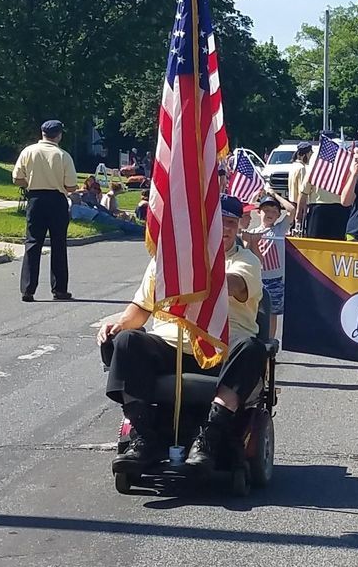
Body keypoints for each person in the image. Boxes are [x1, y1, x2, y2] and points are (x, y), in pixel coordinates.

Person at [98, 194, 265, 474]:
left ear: (238, 227)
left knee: (252, 348)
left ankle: (209, 438)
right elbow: (141, 307)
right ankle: (144, 437)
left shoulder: (245, 261)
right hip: (170, 345)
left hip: (220, 352)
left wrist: (197, 271)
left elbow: (235, 285)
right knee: (127, 341)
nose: (224, 229)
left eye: (231, 223)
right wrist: (120, 324)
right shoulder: (165, 261)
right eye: (216, 223)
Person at [12, 119, 77, 302]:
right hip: (57, 200)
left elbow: (17, 178)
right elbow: (71, 186)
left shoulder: (29, 151)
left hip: (35, 199)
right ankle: (59, 290)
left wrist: (31, 182)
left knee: (32, 243)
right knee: (58, 244)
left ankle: (28, 289)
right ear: (59, 135)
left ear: (42, 133)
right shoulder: (63, 155)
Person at [243, 188, 296, 339]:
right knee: (256, 311)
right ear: (259, 212)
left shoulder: (279, 229)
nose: (270, 213)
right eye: (266, 210)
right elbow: (251, 257)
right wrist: (252, 242)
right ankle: (256, 339)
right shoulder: (253, 232)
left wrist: (274, 195)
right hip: (258, 278)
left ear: (278, 215)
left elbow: (291, 210)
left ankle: (270, 342)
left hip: (276, 280)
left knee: (273, 314)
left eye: (274, 211)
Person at [296, 133, 352, 240]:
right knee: (335, 247)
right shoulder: (347, 166)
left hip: (320, 210)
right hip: (338, 210)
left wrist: (298, 216)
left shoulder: (318, 165)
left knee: (316, 247)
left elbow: (304, 192)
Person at [288, 141, 314, 209]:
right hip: (299, 205)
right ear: (306, 154)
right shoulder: (302, 168)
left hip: (292, 202)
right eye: (310, 154)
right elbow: (302, 191)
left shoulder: (293, 166)